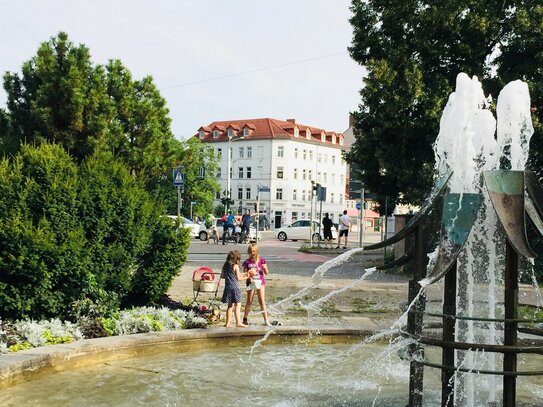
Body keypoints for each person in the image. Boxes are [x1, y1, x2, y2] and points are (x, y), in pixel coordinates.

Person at [220, 250, 256, 328]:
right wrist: (248, 276)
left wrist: (246, 273)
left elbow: (222, 276)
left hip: (227, 287)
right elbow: (239, 278)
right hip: (235, 288)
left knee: (230, 306)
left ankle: (227, 323)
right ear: (236, 259)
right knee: (238, 304)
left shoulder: (225, 265)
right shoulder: (235, 266)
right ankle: (238, 322)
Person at [242, 243, 271, 326]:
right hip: (251, 282)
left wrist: (264, 268)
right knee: (249, 301)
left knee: (261, 300)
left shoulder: (262, 260)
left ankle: (266, 320)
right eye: (250, 252)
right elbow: (244, 274)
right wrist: (248, 277)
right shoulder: (247, 262)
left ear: (257, 251)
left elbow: (267, 272)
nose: (252, 253)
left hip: (260, 282)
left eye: (254, 251)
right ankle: (245, 319)